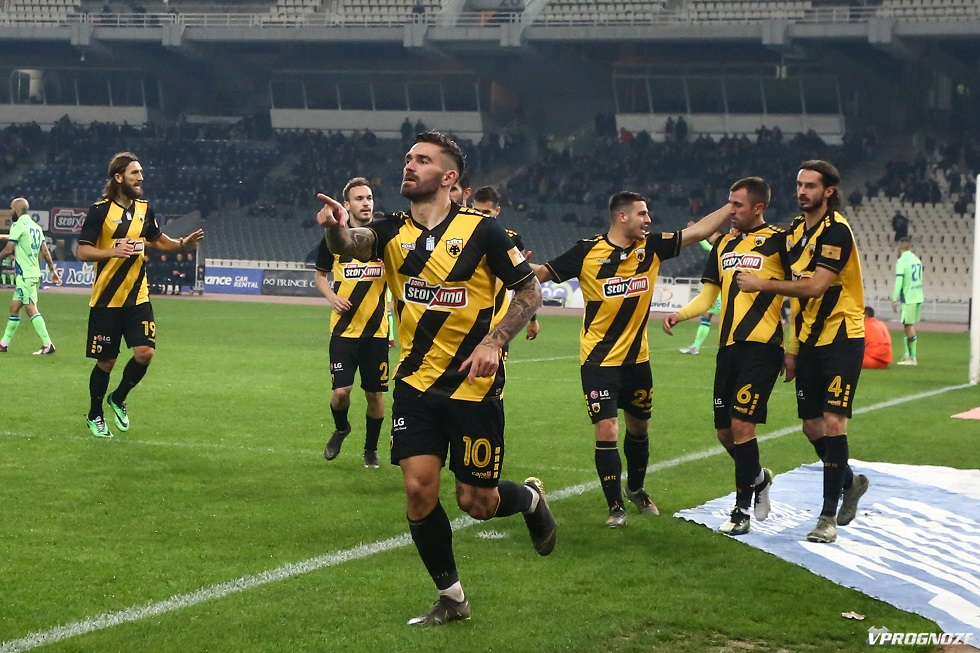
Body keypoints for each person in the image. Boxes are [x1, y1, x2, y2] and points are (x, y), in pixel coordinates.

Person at [315, 131, 555, 626]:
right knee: (419, 490)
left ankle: (530, 500)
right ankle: (452, 597)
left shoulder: (485, 232)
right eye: (408, 158)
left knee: (477, 503)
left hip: (473, 386)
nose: (409, 165)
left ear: (449, 177)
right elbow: (353, 245)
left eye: (422, 160)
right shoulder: (389, 230)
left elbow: (530, 291)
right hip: (415, 383)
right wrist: (336, 229)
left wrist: (494, 341)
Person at [532, 192, 729, 528]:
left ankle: (636, 489)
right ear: (622, 217)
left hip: (637, 361)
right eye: (642, 214)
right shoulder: (586, 251)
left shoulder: (652, 247)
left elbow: (697, 232)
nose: (648, 220)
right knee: (607, 429)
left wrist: (731, 206)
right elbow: (542, 273)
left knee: (639, 429)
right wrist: (508, 261)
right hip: (598, 361)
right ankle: (615, 507)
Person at [736, 160, 870, 544]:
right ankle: (851, 483)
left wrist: (763, 284)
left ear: (828, 191)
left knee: (833, 422)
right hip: (809, 340)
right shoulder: (795, 230)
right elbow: (764, 246)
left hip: (842, 338)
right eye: (799, 184)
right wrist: (793, 347)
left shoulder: (837, 232)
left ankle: (827, 518)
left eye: (810, 185)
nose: (802, 191)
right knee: (811, 426)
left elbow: (814, 288)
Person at [664, 178, 786, 536]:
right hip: (728, 348)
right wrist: (680, 314)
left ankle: (741, 511)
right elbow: (708, 296)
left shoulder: (780, 241)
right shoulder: (723, 245)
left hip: (763, 346)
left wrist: (794, 347)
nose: (730, 210)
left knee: (743, 426)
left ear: (758, 207)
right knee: (724, 433)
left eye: (737, 205)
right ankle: (759, 478)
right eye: (729, 203)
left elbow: (800, 292)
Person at [77, 151, 204, 439]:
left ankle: (119, 397)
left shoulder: (145, 209)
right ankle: (95, 414)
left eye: (141, 173)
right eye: (135, 173)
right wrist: (112, 251)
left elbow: (158, 240)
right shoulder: (99, 211)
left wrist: (182, 243)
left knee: (145, 353)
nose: (141, 177)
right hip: (107, 300)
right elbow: (82, 251)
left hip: (138, 297)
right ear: (118, 177)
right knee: (106, 362)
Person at [314, 177, 389, 469]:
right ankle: (342, 428)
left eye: (369, 197)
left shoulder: (384, 239)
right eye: (359, 198)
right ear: (347, 205)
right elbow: (320, 276)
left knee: (375, 395)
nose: (366, 203)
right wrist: (332, 298)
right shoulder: (335, 238)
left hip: (376, 333)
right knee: (340, 393)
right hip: (343, 331)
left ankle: (370, 451)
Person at [470, 185, 539, 343]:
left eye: (486, 213)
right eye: (476, 211)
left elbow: (524, 283)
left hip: (496, 327)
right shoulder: (458, 239)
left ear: (497, 211)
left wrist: (532, 319)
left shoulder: (511, 241)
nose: (481, 217)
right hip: (462, 324)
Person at [0, 197, 61, 354]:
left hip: (25, 276)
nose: (10, 211)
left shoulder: (18, 225)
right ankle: (3, 344)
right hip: (33, 274)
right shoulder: (36, 227)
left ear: (17, 210)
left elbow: (8, 249)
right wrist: (52, 271)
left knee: (31, 309)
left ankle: (48, 344)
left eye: (11, 209)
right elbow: (45, 251)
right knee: (15, 308)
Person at [679, 226, 722, 356]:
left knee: (710, 318)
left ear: (719, 235)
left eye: (713, 234)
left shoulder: (719, 249)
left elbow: (706, 246)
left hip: (719, 292)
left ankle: (696, 347)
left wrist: (698, 234)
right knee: (706, 317)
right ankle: (696, 346)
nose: (710, 236)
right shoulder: (721, 250)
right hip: (719, 290)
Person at [892, 238, 924, 366]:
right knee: (907, 325)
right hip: (918, 296)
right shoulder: (917, 260)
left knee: (909, 326)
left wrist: (895, 298)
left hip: (908, 297)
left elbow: (899, 281)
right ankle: (906, 354)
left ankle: (913, 358)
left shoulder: (902, 261)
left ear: (900, 248)